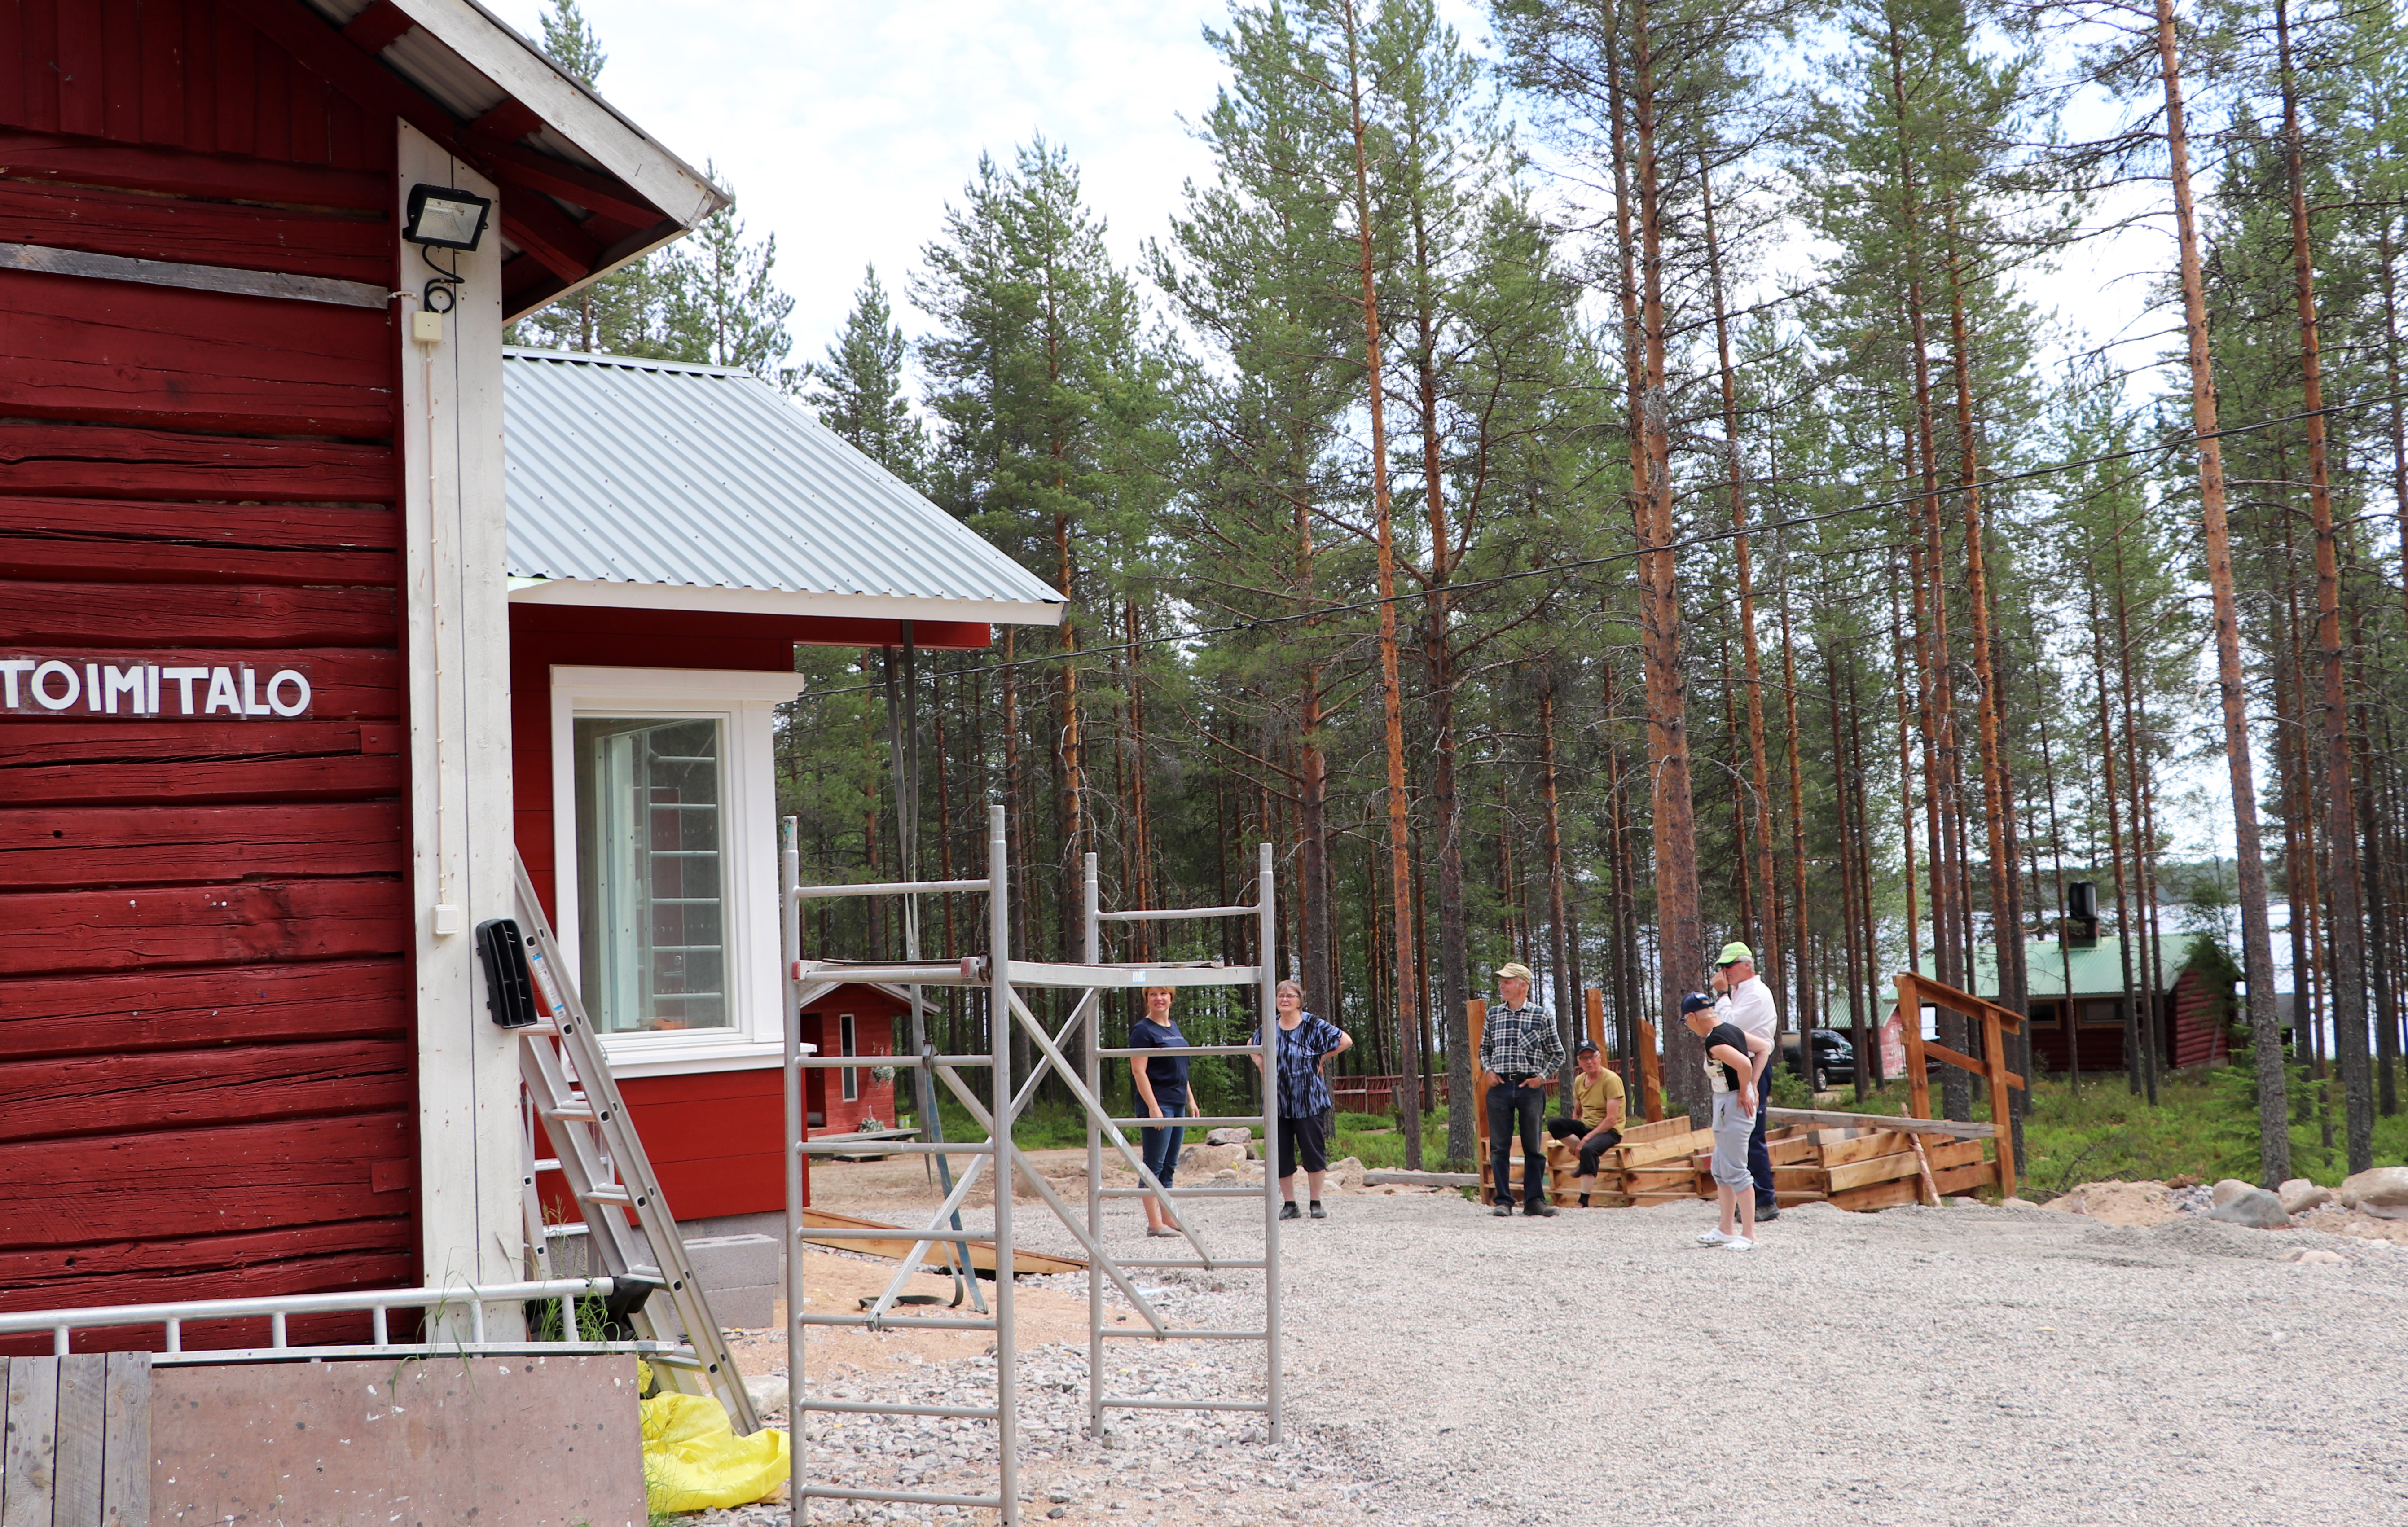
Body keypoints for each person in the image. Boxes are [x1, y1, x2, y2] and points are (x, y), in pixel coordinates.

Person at [1250, 979, 1351, 1220]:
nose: (1285, 999)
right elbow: (1252, 1046)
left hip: (1309, 1101)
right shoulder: (1269, 1026)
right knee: (1281, 1154)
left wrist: (1322, 1059)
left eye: (1291, 996)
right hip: (1278, 1102)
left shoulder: (1313, 1024)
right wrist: (1263, 1066)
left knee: (1313, 1152)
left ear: (1299, 1001)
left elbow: (1345, 1040)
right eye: (1281, 996)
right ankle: (1290, 1203)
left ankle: (1316, 1202)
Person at [1682, 991, 1772, 1250]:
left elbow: (1744, 1063)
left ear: (1691, 1017)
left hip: (1732, 1105)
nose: (1688, 1026)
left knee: (1736, 1171)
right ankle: (1726, 1228)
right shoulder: (1732, 1030)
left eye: (1686, 1021)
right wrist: (1754, 1085)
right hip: (1726, 1103)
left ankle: (1750, 1234)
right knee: (1721, 1169)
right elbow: (1764, 1047)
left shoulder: (1715, 1042)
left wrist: (1746, 1089)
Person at [1481, 961, 1564, 1218]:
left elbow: (1558, 1053)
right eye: (1501, 981)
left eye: (1507, 981)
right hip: (1500, 1088)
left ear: (1522, 986)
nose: (1502, 986)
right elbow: (1484, 1049)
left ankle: (1534, 1202)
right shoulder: (1493, 1014)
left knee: (1533, 1148)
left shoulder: (1540, 1015)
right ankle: (1503, 1201)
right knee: (1499, 1148)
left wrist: (1541, 1078)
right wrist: (1488, 1071)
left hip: (1530, 1089)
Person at [1710, 942, 1780, 1224]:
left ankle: (1764, 1200)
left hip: (1753, 1066)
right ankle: (1750, 1199)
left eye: (1729, 966)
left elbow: (1728, 1027)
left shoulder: (1756, 994)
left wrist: (1722, 994)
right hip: (1740, 1065)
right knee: (1738, 1135)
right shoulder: (1743, 992)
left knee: (1751, 1136)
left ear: (1747, 965)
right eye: (1722, 968)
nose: (1724, 972)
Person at [1129, 985, 1191, 1238]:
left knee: (1169, 1165)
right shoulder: (1143, 1031)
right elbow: (1138, 1071)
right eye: (1153, 994)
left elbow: (1181, 1066)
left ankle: (1168, 1219)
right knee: (1153, 1163)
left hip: (1178, 1103)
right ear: (1147, 999)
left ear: (1172, 998)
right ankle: (1154, 1224)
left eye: (1164, 994)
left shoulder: (1173, 1028)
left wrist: (1191, 1100)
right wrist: (1154, 1107)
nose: (1159, 998)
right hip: (1159, 1104)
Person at [1545, 1040, 1626, 1207]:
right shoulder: (1580, 1080)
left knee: (1589, 1149)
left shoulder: (1611, 1080)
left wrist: (1585, 1141)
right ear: (1579, 1062)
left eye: (1592, 1057)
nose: (1589, 1062)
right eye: (1584, 1058)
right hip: (1588, 1126)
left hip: (1609, 1131)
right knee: (1555, 1124)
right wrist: (1575, 1140)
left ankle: (1583, 1201)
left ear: (1600, 1057)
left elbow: (1612, 1119)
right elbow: (1578, 1112)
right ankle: (1585, 1156)